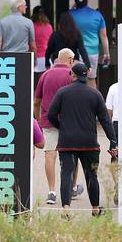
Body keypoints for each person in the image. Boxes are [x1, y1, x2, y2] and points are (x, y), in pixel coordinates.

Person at [47, 63, 117, 216]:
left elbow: (51, 114)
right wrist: (113, 140)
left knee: (66, 173)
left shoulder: (62, 93)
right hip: (89, 143)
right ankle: (95, 209)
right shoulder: (95, 94)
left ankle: (66, 209)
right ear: (85, 76)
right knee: (91, 175)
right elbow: (105, 119)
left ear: (73, 75)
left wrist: (61, 127)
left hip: (67, 142)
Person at [35, 48, 81, 205]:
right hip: (69, 122)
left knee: (50, 154)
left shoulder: (45, 75)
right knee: (73, 154)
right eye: (73, 59)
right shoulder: (71, 75)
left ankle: (52, 191)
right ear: (69, 60)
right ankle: (72, 187)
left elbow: (37, 101)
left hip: (48, 120)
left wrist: (39, 119)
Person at [69, 0, 110, 87]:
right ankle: (93, 101)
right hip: (92, 52)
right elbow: (103, 36)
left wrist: (72, 9)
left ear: (75, 2)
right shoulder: (97, 15)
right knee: (91, 79)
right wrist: (106, 54)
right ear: (87, 1)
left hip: (74, 53)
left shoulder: (69, 15)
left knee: (74, 79)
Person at [31, 5, 54, 83]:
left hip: (33, 57)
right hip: (45, 57)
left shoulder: (31, 26)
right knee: (43, 82)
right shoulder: (49, 26)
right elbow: (51, 43)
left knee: (32, 83)